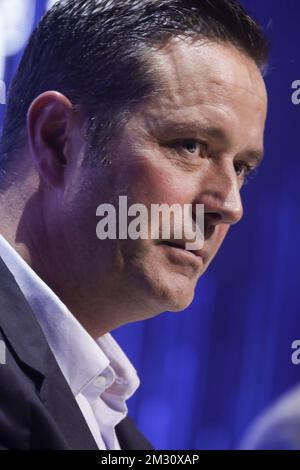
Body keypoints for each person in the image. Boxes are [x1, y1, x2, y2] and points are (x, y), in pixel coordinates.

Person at [0, 0, 268, 450]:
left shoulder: (114, 427)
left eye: (241, 167)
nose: (230, 205)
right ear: (58, 139)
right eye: (191, 145)